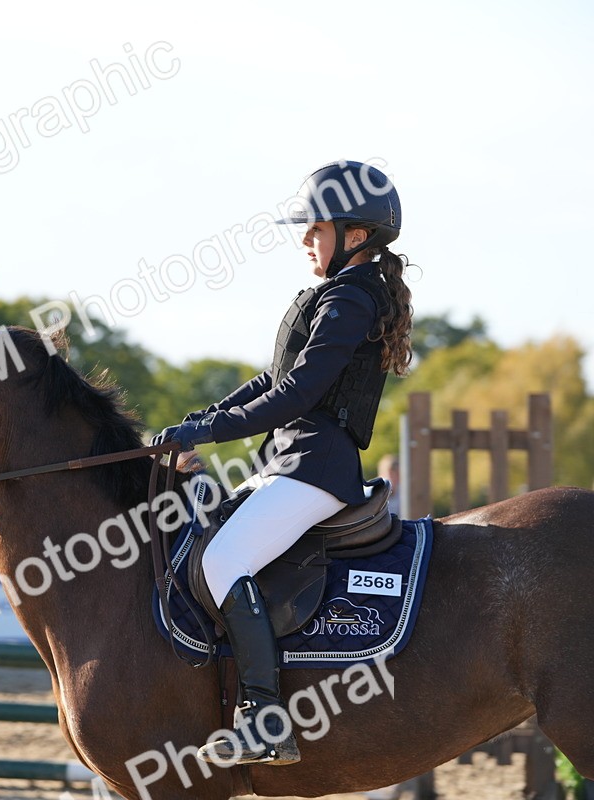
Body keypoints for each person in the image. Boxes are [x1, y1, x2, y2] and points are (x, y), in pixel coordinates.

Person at [153, 161, 414, 766]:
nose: (303, 239)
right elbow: (274, 379)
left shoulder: (351, 298)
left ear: (355, 235)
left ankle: (267, 719)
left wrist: (210, 431)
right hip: (291, 461)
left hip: (314, 468)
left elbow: (295, 396)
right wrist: (199, 419)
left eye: (315, 228)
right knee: (206, 540)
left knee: (223, 558)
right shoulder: (337, 293)